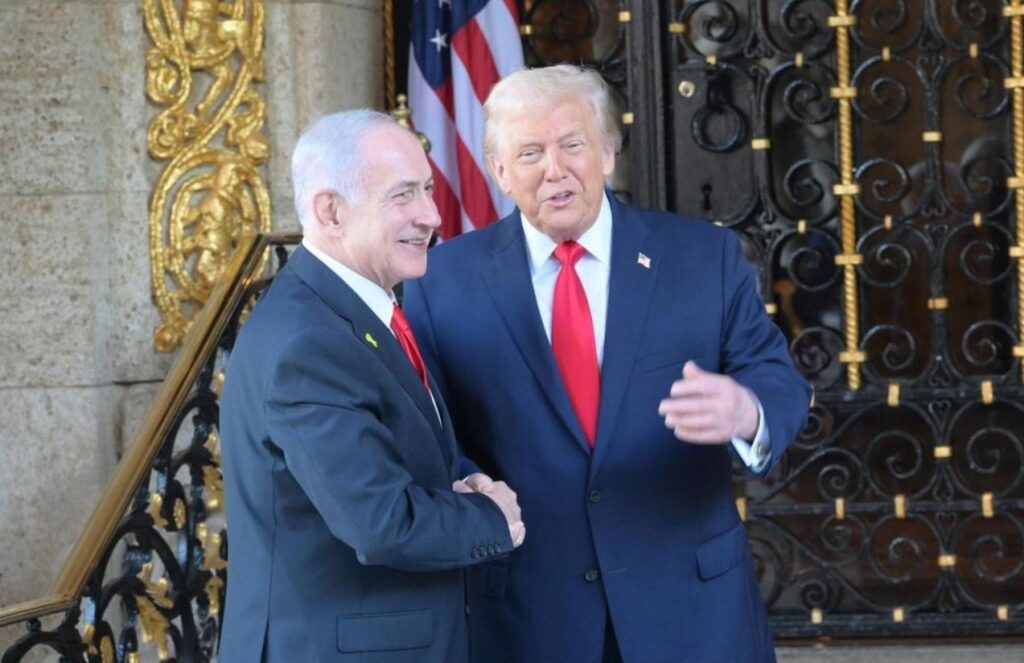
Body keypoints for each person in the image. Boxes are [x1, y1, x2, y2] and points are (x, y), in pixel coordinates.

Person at [403, 65, 811, 662]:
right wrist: (469, 484)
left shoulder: (703, 257)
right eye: (530, 152)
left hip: (690, 610)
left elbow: (776, 378)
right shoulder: (440, 283)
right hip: (528, 616)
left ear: (608, 152)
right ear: (499, 171)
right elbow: (430, 429)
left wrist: (747, 409)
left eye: (572, 144)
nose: (554, 168)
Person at [219, 109, 525, 663]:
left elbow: (405, 452)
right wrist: (495, 518)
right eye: (403, 195)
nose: (431, 215)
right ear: (330, 211)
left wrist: (468, 478)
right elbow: (382, 524)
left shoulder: (351, 312)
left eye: (428, 189)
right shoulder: (306, 343)